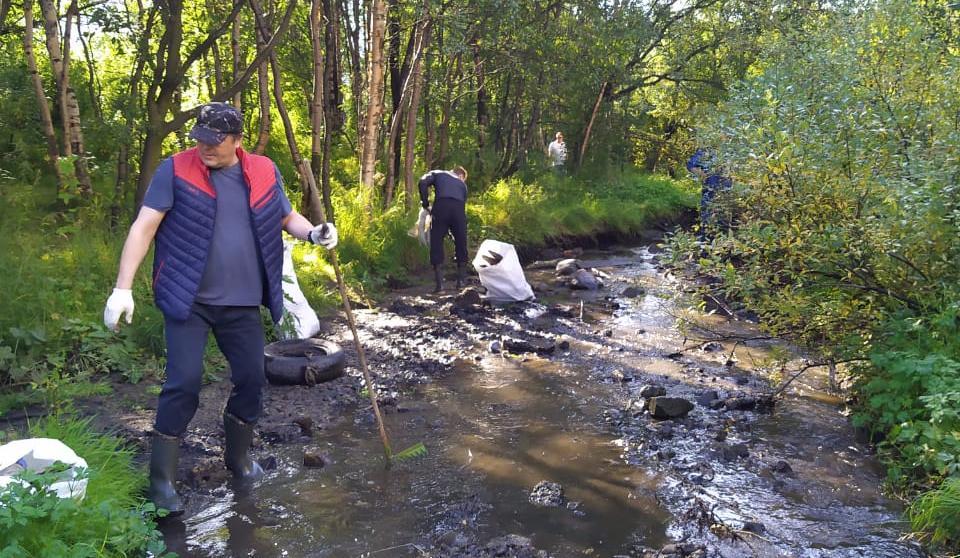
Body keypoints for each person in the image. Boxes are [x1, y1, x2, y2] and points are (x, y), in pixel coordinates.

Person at [102, 102, 338, 516]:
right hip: (188, 301)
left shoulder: (264, 170)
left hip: (243, 302)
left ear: (236, 140)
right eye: (201, 139)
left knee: (252, 379)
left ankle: (239, 460)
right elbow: (144, 226)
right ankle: (161, 483)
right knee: (184, 384)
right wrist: (123, 288)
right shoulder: (175, 169)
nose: (206, 148)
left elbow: (286, 216)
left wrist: (314, 233)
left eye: (215, 141)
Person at [418, 166, 469, 293]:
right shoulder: (463, 186)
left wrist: (425, 203)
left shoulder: (438, 173)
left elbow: (423, 182)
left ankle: (439, 286)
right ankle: (461, 282)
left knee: (436, 241)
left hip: (441, 207)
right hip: (458, 210)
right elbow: (460, 205)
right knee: (461, 241)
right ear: (461, 176)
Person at [686, 148, 732, 240]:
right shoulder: (707, 151)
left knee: (724, 223)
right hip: (709, 194)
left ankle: (723, 247)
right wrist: (701, 173)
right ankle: (705, 247)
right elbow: (690, 165)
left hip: (726, 195)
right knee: (707, 222)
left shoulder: (731, 150)